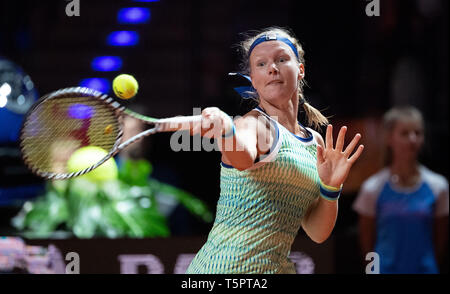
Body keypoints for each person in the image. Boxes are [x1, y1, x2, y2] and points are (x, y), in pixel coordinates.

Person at [185, 27, 364, 274]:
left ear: (300, 70)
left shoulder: (315, 144)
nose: (272, 68)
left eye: (281, 59)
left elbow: (317, 232)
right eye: (261, 64)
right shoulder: (251, 125)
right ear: (253, 79)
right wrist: (226, 131)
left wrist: (330, 189)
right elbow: (242, 157)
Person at [353, 106, 448, 274]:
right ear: (390, 138)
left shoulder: (439, 186)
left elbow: (440, 242)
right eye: (405, 133)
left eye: (418, 133)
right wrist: (372, 272)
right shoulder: (372, 188)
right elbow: (367, 244)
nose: (412, 139)